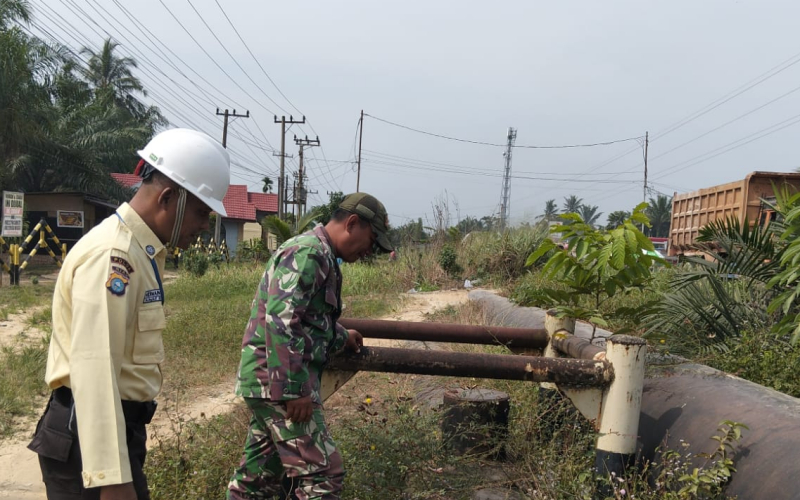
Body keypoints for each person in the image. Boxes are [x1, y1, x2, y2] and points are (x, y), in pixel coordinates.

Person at [27, 128, 230, 500]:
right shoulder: (113, 257)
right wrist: (112, 477)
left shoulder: (140, 252)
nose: (204, 226)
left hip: (111, 432)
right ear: (168, 197)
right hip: (86, 442)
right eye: (202, 212)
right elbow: (94, 368)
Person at [227, 192, 393, 500]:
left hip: (269, 381)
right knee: (323, 474)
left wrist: (342, 335)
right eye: (371, 240)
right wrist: (294, 390)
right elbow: (282, 320)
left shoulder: (321, 255)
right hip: (279, 384)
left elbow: (308, 320)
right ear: (353, 223)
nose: (371, 250)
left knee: (258, 480)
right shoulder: (309, 252)